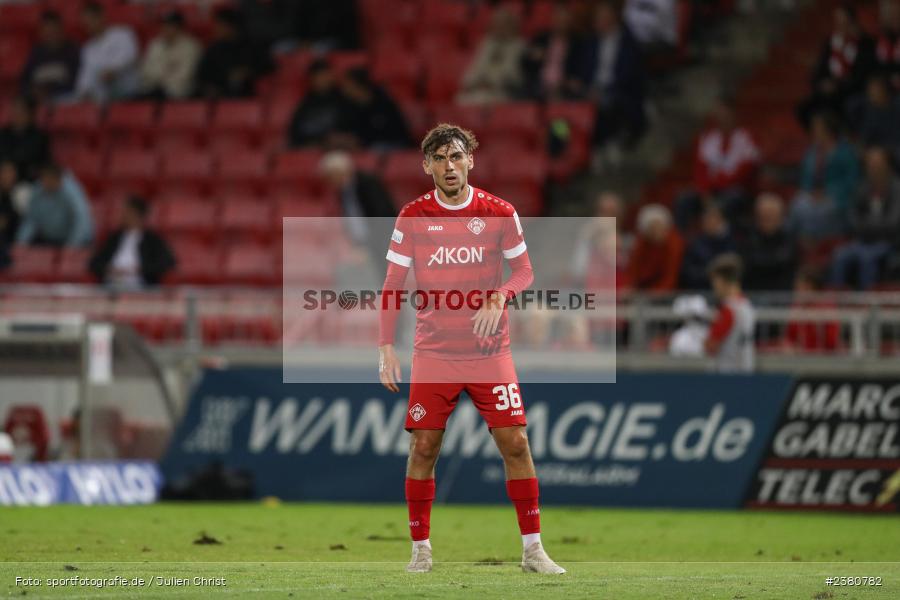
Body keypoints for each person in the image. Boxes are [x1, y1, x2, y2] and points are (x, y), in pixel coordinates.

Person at [377, 123, 565, 575]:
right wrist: (385, 344)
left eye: (456, 156)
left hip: (490, 353)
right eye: (439, 159)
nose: (449, 166)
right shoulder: (413, 217)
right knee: (424, 446)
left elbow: (524, 271)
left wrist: (500, 296)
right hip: (435, 353)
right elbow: (392, 285)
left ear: (470, 161)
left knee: (516, 442)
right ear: (427, 166)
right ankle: (420, 550)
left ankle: (533, 550)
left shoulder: (499, 211)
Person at [675, 96, 760, 230]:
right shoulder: (707, 138)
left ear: (734, 113)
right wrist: (705, 193)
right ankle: (681, 238)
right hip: (709, 192)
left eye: (725, 113)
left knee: (732, 198)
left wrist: (716, 185)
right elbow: (699, 170)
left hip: (735, 191)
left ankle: (723, 237)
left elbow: (745, 172)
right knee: (685, 199)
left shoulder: (747, 138)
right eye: (719, 113)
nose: (722, 117)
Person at [570, 0, 646, 147]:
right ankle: (564, 145)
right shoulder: (590, 43)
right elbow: (582, 72)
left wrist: (602, 92)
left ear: (613, 17)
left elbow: (629, 80)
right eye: (596, 17)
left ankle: (597, 144)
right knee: (560, 113)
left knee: (603, 107)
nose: (596, 21)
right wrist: (578, 84)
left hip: (616, 93)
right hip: (589, 91)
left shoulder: (629, 46)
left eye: (600, 17)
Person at [829, 146, 900, 290]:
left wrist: (866, 225)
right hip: (862, 242)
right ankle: (837, 302)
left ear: (887, 165)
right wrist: (872, 226)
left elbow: (893, 223)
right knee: (840, 256)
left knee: (867, 259)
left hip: (889, 243)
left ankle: (865, 304)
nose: (873, 167)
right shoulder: (861, 188)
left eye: (877, 163)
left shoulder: (896, 189)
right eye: (870, 163)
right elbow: (852, 218)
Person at [797, 3, 875, 128]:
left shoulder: (864, 43)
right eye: (838, 21)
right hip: (829, 90)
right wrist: (821, 83)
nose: (840, 25)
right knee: (803, 108)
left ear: (852, 21)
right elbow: (820, 69)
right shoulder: (831, 43)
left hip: (849, 90)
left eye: (844, 21)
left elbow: (862, 74)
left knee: (845, 105)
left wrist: (838, 85)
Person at [789, 111, 860, 242]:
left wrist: (829, 193)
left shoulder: (845, 152)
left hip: (836, 197)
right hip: (813, 194)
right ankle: (796, 241)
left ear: (829, 130)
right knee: (798, 204)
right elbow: (805, 178)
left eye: (818, 128)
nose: (815, 132)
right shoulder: (811, 152)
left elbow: (851, 181)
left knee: (821, 211)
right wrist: (810, 192)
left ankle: (816, 243)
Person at [89, 196, 176, 289]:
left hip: (141, 289)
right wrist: (110, 269)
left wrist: (139, 269)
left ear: (139, 215)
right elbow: (94, 264)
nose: (122, 216)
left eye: (127, 212)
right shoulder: (114, 238)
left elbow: (168, 263)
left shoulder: (152, 240)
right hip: (110, 286)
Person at [195, 7, 272, 99]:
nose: (216, 29)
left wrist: (247, 72)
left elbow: (268, 66)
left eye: (220, 25)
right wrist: (209, 87)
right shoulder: (213, 49)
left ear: (231, 26)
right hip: (218, 95)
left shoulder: (252, 45)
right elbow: (202, 74)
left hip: (245, 94)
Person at [458, 7, 526, 104]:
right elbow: (474, 69)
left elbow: (515, 76)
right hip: (479, 89)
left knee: (482, 100)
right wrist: (473, 83)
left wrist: (492, 83)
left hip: (503, 92)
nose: (500, 27)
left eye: (504, 23)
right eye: (497, 23)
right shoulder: (486, 44)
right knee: (461, 100)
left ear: (512, 25)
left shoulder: (520, 46)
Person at [75, 2, 140, 102]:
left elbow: (130, 56)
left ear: (101, 17)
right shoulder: (88, 48)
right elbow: (85, 76)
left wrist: (113, 70)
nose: (88, 25)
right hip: (102, 100)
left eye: (91, 19)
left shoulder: (122, 34)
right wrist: (83, 92)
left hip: (129, 95)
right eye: (85, 22)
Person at [16, 163, 93, 248]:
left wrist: (71, 246)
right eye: (43, 178)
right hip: (51, 241)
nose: (44, 182)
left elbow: (81, 220)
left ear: (58, 179)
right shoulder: (38, 190)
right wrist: (21, 243)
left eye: (48, 179)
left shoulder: (71, 192)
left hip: (77, 241)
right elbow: (31, 219)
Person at [704, 253, 755, 373]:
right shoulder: (747, 306)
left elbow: (710, 346)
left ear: (722, 281)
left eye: (715, 281)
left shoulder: (728, 310)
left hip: (727, 375)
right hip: (746, 370)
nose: (714, 287)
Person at [339, 68, 412, 149]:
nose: (345, 90)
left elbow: (390, 133)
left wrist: (360, 140)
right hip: (366, 146)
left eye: (348, 85)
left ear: (359, 86)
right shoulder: (349, 106)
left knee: (377, 147)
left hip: (393, 145)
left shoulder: (383, 103)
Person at [287, 59, 353, 147]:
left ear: (331, 75)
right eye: (318, 76)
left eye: (325, 75)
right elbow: (295, 133)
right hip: (311, 149)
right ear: (311, 79)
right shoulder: (306, 103)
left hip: (338, 149)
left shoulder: (344, 99)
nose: (322, 79)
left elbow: (352, 130)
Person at [740, 193, 798, 291]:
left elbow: (786, 261)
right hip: (753, 293)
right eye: (764, 216)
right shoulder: (747, 237)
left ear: (781, 217)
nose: (768, 219)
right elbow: (749, 264)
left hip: (782, 296)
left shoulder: (789, 238)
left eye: (772, 215)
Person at [19, 10, 81, 102]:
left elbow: (77, 82)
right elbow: (24, 80)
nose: (51, 33)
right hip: (37, 100)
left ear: (61, 29)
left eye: (54, 29)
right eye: (47, 29)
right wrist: (33, 91)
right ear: (41, 31)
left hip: (63, 99)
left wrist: (49, 90)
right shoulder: (35, 53)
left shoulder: (73, 51)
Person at [140, 11, 202, 100]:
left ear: (179, 27)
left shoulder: (191, 46)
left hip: (178, 92)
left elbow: (186, 74)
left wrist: (162, 76)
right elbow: (147, 70)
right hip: (153, 89)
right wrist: (166, 72)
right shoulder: (155, 44)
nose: (165, 29)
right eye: (163, 25)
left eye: (169, 26)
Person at [521, 3, 578, 100]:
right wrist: (534, 57)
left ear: (569, 22)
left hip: (563, 85)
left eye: (564, 20)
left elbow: (579, 68)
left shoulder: (576, 43)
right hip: (539, 83)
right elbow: (524, 61)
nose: (561, 23)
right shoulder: (541, 38)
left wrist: (568, 81)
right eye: (558, 19)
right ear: (553, 20)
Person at [627, 203, 684, 291]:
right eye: (653, 228)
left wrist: (653, 294)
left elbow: (671, 276)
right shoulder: (641, 243)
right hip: (643, 290)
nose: (657, 232)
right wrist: (630, 287)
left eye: (659, 227)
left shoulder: (674, 243)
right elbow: (633, 270)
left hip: (667, 292)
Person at [783, 267, 840, 353]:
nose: (796, 291)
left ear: (810, 287)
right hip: (800, 359)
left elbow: (831, 342)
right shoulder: (797, 307)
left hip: (824, 359)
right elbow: (790, 338)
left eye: (799, 287)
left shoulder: (827, 308)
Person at [680, 203, 736, 290]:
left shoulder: (732, 242)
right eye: (706, 219)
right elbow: (688, 271)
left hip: (727, 291)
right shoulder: (695, 244)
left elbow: (734, 268)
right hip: (701, 290)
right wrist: (710, 273)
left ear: (722, 221)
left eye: (714, 218)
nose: (710, 222)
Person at [0, 96, 51, 181]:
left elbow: (42, 164)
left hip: (27, 181)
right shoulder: (3, 134)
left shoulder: (39, 137)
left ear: (30, 113)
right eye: (14, 110)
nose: (16, 114)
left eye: (20, 110)